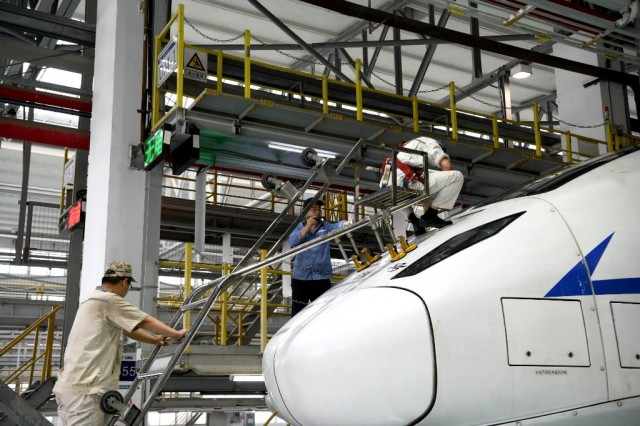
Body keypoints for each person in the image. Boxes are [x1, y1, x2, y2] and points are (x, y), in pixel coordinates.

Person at [53, 261, 188, 425]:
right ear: (125, 282)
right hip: (87, 392)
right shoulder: (109, 300)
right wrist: (175, 334)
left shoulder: (90, 300)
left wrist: (153, 340)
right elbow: (144, 320)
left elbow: (126, 328)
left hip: (67, 388)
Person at [384, 136, 464, 234]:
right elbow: (447, 166)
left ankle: (414, 221)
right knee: (456, 177)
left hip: (388, 188)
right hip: (405, 181)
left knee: (413, 190)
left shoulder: (405, 149)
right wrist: (445, 188)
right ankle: (430, 216)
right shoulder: (431, 143)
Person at [288, 198, 348, 317]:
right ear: (305, 212)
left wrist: (346, 223)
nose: (318, 211)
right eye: (314, 209)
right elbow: (293, 242)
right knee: (297, 312)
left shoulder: (325, 227)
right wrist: (308, 226)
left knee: (323, 312)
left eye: (319, 209)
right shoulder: (299, 227)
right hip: (301, 279)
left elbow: (338, 225)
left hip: (321, 279)